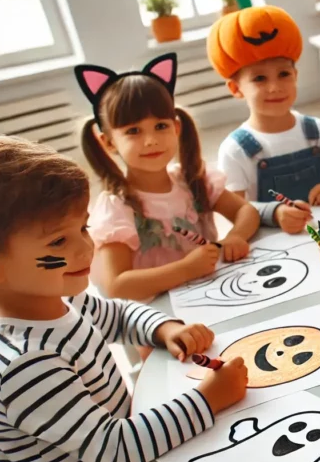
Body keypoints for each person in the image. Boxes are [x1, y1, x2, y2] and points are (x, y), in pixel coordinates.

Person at [0, 134, 249, 462]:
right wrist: (208, 399)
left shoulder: (57, 297)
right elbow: (115, 449)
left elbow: (119, 314)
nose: (86, 249)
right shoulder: (22, 363)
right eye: (58, 241)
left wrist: (164, 327)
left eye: (83, 228)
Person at [77, 53, 259, 304]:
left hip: (214, 294)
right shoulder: (117, 207)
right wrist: (186, 269)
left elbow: (246, 212)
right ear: (108, 143)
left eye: (160, 126)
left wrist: (235, 237)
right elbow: (117, 286)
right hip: (159, 318)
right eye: (133, 131)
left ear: (176, 128)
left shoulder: (193, 179)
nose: (150, 140)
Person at [210, 0, 320, 233]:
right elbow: (236, 211)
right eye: (259, 79)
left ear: (295, 75)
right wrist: (274, 212)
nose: (274, 87)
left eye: (284, 74)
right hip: (274, 243)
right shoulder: (235, 150)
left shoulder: (316, 131)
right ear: (235, 88)